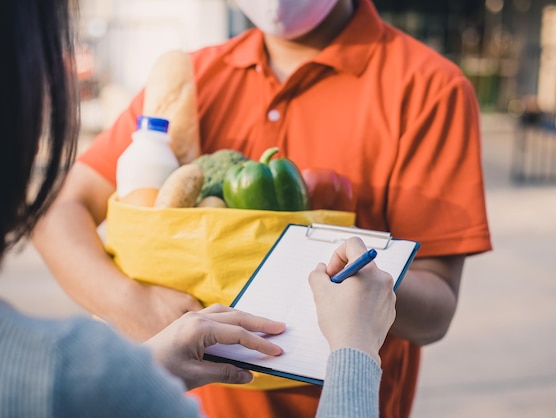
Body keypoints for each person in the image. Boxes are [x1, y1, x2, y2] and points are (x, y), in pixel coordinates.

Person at [33, 0, 493, 416]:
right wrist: (130, 303)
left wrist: (296, 264)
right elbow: (57, 212)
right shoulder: (194, 78)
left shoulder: (430, 88)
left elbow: (436, 309)